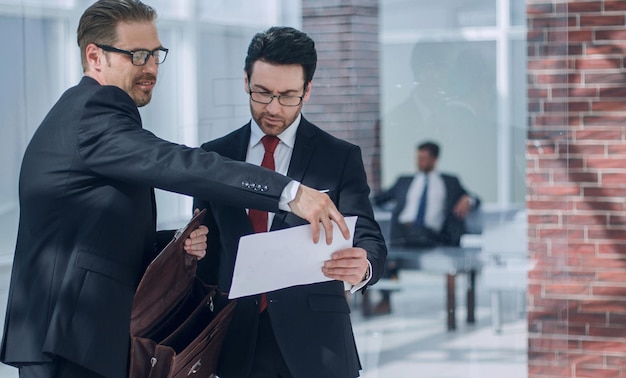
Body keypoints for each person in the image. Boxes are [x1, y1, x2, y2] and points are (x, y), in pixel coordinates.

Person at [0, 2, 349, 378]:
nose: (150, 67)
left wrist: (176, 244)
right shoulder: (94, 111)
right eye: (137, 55)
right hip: (69, 336)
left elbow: (90, 233)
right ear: (95, 56)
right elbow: (177, 164)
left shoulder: (88, 113)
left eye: (155, 54)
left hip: (75, 335)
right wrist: (291, 193)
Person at [192, 26, 387, 378]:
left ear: (307, 91)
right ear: (245, 81)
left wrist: (365, 266)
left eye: (287, 96)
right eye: (262, 93)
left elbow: (369, 236)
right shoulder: (215, 157)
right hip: (235, 343)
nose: (273, 108)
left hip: (318, 344)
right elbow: (206, 260)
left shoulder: (339, 157)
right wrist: (190, 251)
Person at [368, 141, 480, 315]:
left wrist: (468, 199)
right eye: (418, 158)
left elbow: (476, 199)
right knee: (381, 251)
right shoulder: (404, 181)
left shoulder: (450, 181)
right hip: (402, 234)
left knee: (397, 242)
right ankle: (385, 299)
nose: (420, 162)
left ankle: (387, 294)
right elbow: (379, 198)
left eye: (424, 158)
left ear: (435, 159)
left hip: (431, 236)